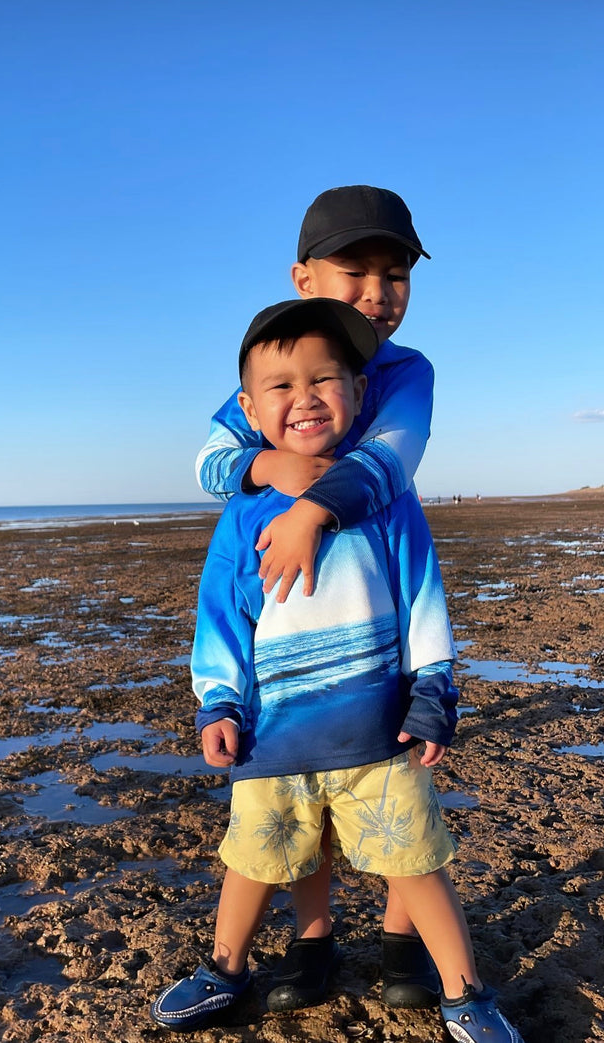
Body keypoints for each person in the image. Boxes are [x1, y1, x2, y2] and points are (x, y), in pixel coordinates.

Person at [151, 299, 525, 1043]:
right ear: (249, 410)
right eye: (281, 387)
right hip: (274, 740)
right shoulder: (243, 517)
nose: (305, 397)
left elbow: (423, 597)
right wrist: (218, 704)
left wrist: (433, 690)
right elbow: (221, 620)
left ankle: (464, 989)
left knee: (416, 859)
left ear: (359, 392)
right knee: (256, 858)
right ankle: (227, 965)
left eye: (326, 380)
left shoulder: (385, 499)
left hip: (378, 735)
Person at [195, 185, 440, 1010]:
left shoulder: (404, 372)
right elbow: (209, 460)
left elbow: (392, 461)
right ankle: (314, 938)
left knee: (400, 787)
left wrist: (308, 511)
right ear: (304, 277)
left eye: (395, 273)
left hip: (374, 594)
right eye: (354, 271)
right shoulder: (273, 364)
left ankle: (405, 943)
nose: (377, 292)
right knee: (306, 787)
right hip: (297, 631)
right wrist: (264, 469)